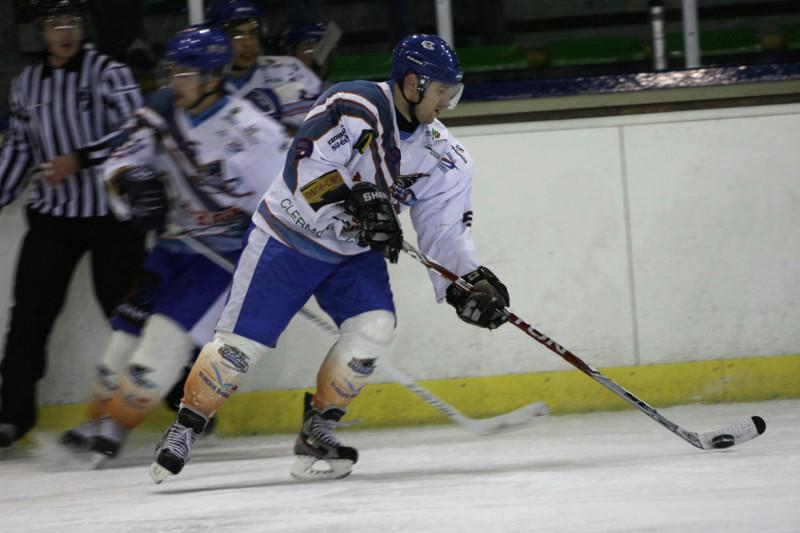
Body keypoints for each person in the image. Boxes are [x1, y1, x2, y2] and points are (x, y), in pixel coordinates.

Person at [149, 33, 511, 483]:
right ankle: (186, 426)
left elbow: (444, 229)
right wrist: (359, 199)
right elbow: (303, 169)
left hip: (352, 254)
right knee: (241, 348)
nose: (448, 102)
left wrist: (466, 283)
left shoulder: (446, 156)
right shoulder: (352, 105)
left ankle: (318, 426)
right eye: (442, 91)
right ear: (414, 83)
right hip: (288, 238)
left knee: (374, 328)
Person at [59, 24, 287, 459]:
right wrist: (128, 182)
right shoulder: (161, 111)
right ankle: (93, 421)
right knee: (121, 336)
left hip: (218, 260)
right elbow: (120, 158)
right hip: (170, 249)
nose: (173, 82)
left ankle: (113, 433)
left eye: (186, 73)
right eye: (172, 71)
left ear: (214, 77)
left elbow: (281, 203)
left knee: (162, 339)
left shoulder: (253, 132)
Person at [0, 0, 146, 448]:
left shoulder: (108, 72)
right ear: (41, 31)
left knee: (131, 315)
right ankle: (11, 416)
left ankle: (182, 398)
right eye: (54, 23)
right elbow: (22, 148)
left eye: (72, 22)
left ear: (83, 27)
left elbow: (136, 131)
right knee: (28, 319)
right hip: (53, 220)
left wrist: (79, 159)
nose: (64, 31)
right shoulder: (26, 83)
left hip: (112, 220)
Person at [205, 0, 325, 131]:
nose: (248, 43)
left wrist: (281, 122)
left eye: (253, 33)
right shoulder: (201, 84)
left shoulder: (289, 68)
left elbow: (327, 124)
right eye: (236, 35)